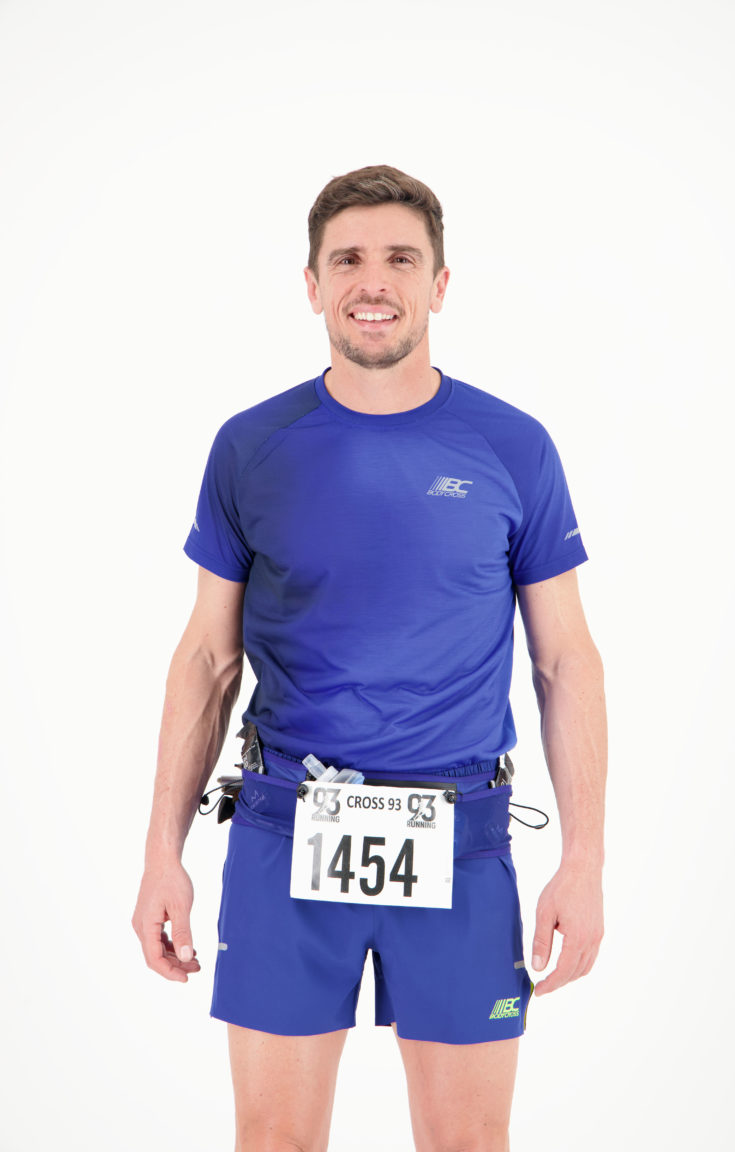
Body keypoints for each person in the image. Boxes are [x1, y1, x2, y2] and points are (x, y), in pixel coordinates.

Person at [132, 164, 606, 1152]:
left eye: (400, 258)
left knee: (468, 1143)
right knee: (275, 1141)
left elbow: (567, 661)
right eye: (347, 259)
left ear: (441, 283)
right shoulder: (251, 446)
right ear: (312, 284)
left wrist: (585, 862)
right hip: (285, 833)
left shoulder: (513, 447)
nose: (373, 280)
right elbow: (207, 659)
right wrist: (159, 855)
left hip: (462, 840)